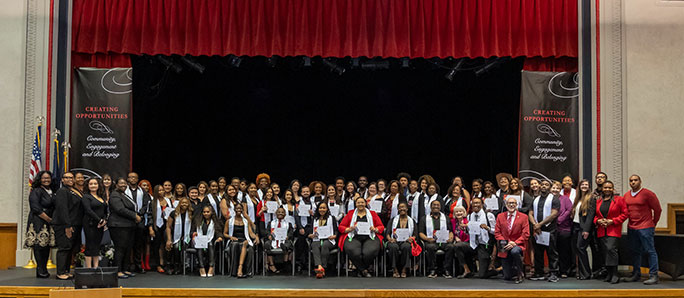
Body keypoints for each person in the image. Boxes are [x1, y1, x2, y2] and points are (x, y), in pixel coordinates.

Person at [622, 175, 662, 285]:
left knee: (650, 251)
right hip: (632, 227)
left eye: (635, 180)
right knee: (635, 251)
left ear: (640, 181)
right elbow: (625, 211)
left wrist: (654, 223)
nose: (633, 182)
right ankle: (636, 274)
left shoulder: (648, 194)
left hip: (646, 227)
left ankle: (654, 275)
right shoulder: (626, 195)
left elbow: (657, 209)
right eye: (631, 180)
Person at [339, 196, 385, 278]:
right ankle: (364, 270)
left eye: (362, 202)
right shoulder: (350, 213)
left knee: (370, 251)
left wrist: (375, 229)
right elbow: (341, 226)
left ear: (366, 204)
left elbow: (381, 226)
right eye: (358, 202)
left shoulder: (372, 213)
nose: (360, 204)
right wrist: (349, 229)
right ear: (355, 204)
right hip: (353, 236)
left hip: (370, 237)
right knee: (353, 251)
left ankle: (360, 269)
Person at [594, 180, 628, 284]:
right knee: (604, 252)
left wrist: (612, 221)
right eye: (605, 187)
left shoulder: (619, 200)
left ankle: (615, 274)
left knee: (611, 250)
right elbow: (594, 216)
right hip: (601, 230)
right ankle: (609, 273)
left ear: (613, 189)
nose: (607, 189)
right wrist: (598, 221)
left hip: (613, 230)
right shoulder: (598, 201)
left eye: (609, 187)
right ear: (602, 189)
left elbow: (625, 214)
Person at [454, 197, 497, 279]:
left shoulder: (488, 215)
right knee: (457, 246)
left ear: (482, 204)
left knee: (482, 275)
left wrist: (487, 228)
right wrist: (465, 229)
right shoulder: (470, 216)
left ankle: (498, 270)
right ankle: (467, 269)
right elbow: (471, 230)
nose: (476, 205)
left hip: (484, 245)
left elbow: (496, 232)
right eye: (474, 203)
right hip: (473, 244)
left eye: (478, 203)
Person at [52, 171, 84, 280]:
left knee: (70, 249)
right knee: (64, 248)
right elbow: (63, 209)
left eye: (71, 177)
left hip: (75, 224)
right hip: (64, 225)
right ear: (62, 180)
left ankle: (66, 270)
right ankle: (60, 272)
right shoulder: (62, 191)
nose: (69, 179)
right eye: (66, 177)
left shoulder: (73, 191)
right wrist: (67, 226)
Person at [528, 180, 560, 282]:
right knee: (538, 252)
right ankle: (539, 273)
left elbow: (554, 214)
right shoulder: (535, 199)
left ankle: (554, 273)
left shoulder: (554, 199)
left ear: (550, 187)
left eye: (546, 185)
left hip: (549, 229)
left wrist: (539, 224)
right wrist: (534, 224)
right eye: (542, 185)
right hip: (537, 230)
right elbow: (530, 213)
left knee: (552, 253)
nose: (544, 186)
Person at [108, 177, 141, 279]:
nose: (123, 185)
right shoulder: (114, 195)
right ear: (116, 185)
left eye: (124, 183)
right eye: (121, 183)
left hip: (128, 226)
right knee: (120, 248)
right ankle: (118, 270)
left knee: (128, 248)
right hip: (118, 226)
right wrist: (134, 216)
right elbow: (120, 209)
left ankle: (125, 269)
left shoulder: (123, 194)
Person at [25, 170, 55, 278]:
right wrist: (48, 219)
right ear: (40, 179)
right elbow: (35, 208)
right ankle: (40, 269)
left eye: (48, 178)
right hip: (38, 221)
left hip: (48, 222)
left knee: (46, 245)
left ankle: (44, 269)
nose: (46, 180)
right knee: (39, 245)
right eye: (44, 178)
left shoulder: (51, 191)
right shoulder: (36, 191)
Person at [495, 196, 530, 284]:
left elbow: (526, 234)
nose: (511, 205)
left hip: (518, 245)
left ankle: (520, 272)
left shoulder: (524, 217)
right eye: (509, 203)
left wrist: (514, 243)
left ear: (516, 205)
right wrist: (506, 242)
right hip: (505, 245)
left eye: (513, 203)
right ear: (506, 205)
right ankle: (513, 270)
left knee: (515, 251)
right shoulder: (500, 216)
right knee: (507, 277)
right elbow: (497, 233)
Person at [418, 200, 455, 278]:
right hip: (431, 241)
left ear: (440, 207)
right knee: (430, 247)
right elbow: (421, 233)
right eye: (434, 205)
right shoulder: (424, 218)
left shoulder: (446, 218)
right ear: (431, 207)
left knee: (451, 247)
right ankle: (432, 270)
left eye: (437, 205)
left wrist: (451, 238)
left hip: (444, 241)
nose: (436, 206)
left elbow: (450, 231)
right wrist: (427, 239)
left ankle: (446, 270)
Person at [223, 203, 257, 278]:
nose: (239, 210)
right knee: (236, 245)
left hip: (244, 239)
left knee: (249, 247)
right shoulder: (229, 221)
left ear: (242, 210)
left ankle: (244, 270)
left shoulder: (246, 221)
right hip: (234, 240)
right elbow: (224, 233)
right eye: (237, 208)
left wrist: (256, 237)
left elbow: (250, 233)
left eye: (240, 208)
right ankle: (237, 270)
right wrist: (230, 237)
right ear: (234, 210)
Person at [126, 172, 151, 273]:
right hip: (127, 220)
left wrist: (139, 214)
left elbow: (146, 205)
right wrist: (132, 215)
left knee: (138, 245)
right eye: (130, 177)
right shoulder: (124, 191)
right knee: (127, 244)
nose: (132, 179)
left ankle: (138, 265)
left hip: (140, 221)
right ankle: (127, 266)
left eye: (134, 177)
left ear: (137, 179)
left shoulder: (143, 192)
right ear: (128, 179)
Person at [571, 179, 595, 280]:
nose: (584, 186)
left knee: (581, 248)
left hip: (583, 228)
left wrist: (586, 230)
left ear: (589, 187)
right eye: (582, 185)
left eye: (586, 185)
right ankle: (582, 273)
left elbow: (590, 215)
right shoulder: (578, 198)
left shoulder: (591, 198)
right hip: (575, 226)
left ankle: (586, 273)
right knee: (578, 249)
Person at [82, 178, 108, 268]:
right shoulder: (86, 197)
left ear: (98, 185)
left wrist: (104, 220)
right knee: (90, 245)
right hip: (90, 224)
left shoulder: (101, 197)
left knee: (97, 245)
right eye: (91, 184)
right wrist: (99, 220)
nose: (93, 185)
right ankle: (89, 269)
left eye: (95, 184)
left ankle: (96, 267)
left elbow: (104, 211)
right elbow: (88, 210)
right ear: (88, 186)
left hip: (100, 225)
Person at [385, 202, 416, 278]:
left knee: (406, 247)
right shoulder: (393, 220)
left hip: (406, 241)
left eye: (403, 207)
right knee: (393, 247)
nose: (402, 209)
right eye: (400, 207)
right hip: (394, 241)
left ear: (407, 209)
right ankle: (394, 269)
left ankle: (404, 269)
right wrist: (390, 239)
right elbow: (387, 233)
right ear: (398, 209)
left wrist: (412, 238)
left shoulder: (412, 221)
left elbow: (415, 234)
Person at [149, 184, 175, 273]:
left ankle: (167, 263)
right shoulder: (152, 201)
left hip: (167, 225)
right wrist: (150, 228)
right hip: (156, 225)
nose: (161, 192)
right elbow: (149, 216)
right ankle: (158, 264)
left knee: (167, 244)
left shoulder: (168, 200)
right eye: (159, 190)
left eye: (162, 190)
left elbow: (172, 212)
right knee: (157, 245)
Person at [192, 206, 224, 277]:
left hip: (211, 241)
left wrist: (219, 237)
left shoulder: (215, 221)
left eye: (208, 212)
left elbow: (218, 231)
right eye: (204, 212)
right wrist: (193, 234)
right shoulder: (198, 221)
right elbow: (192, 231)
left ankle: (211, 267)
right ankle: (201, 267)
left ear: (211, 212)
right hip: (198, 241)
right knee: (200, 245)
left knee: (210, 244)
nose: (206, 214)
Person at [310, 201, 339, 278]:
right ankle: (320, 267)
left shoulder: (331, 218)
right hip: (318, 239)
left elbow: (336, 230)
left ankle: (323, 267)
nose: (322, 209)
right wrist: (311, 235)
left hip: (329, 240)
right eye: (320, 208)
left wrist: (334, 236)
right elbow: (309, 232)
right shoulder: (314, 219)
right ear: (318, 209)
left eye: (324, 208)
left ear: (327, 209)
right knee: (314, 245)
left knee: (325, 245)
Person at [551, 181, 573, 278]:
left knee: (564, 251)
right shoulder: (548, 199)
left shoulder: (565, 199)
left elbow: (569, 211)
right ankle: (554, 270)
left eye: (557, 188)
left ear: (560, 190)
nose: (555, 190)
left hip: (564, 229)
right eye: (553, 188)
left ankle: (564, 271)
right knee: (553, 251)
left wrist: (559, 220)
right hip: (551, 229)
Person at [165, 197, 192, 275]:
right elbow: (168, 227)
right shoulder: (174, 213)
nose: (184, 204)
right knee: (173, 246)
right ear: (179, 204)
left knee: (181, 246)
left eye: (186, 203)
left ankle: (178, 266)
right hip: (174, 235)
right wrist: (169, 239)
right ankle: (169, 266)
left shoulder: (190, 213)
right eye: (182, 203)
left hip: (186, 236)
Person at [264, 207, 295, 274]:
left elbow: (291, 233)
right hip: (273, 240)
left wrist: (288, 236)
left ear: (285, 214)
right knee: (267, 244)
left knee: (288, 244)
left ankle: (285, 263)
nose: (280, 213)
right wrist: (269, 236)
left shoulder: (288, 224)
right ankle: (272, 265)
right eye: (279, 212)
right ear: (276, 213)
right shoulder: (271, 223)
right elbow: (267, 232)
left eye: (282, 212)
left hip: (284, 240)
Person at [591, 172, 608, 279]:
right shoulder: (592, 195)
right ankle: (597, 271)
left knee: (606, 249)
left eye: (602, 177)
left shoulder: (612, 193)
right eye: (598, 177)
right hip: (595, 225)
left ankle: (607, 270)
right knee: (595, 249)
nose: (600, 179)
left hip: (608, 226)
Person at [294, 187, 314, 273]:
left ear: (310, 192)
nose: (306, 193)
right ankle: (300, 263)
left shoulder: (313, 203)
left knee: (309, 243)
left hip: (310, 226)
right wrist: (300, 227)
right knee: (301, 242)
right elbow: (296, 216)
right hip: (301, 226)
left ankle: (309, 262)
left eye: (307, 191)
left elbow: (317, 215)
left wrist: (312, 214)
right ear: (301, 193)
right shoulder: (298, 203)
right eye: (304, 191)